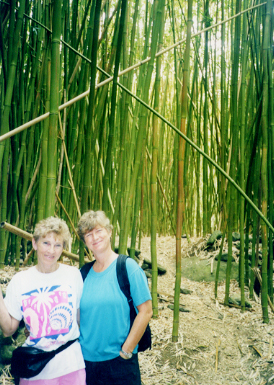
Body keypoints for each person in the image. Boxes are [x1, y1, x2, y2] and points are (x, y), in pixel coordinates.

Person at [0, 217, 86, 385]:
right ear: (34, 243)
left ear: (63, 248)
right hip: (35, 367)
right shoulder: (20, 281)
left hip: (71, 365)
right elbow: (8, 330)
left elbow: (79, 320)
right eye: (46, 243)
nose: (51, 251)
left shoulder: (73, 275)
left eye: (57, 245)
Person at [77, 210, 153, 385]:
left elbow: (146, 311)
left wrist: (126, 350)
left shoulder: (127, 267)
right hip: (86, 363)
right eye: (89, 234)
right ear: (85, 242)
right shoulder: (83, 274)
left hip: (119, 363)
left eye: (99, 231)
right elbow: (78, 317)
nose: (95, 237)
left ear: (110, 232)